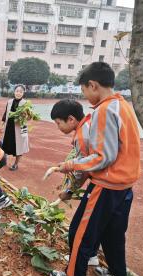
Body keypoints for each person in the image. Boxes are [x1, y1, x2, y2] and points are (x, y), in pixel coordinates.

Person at [49, 62, 141, 276]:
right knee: (113, 233)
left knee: (80, 230)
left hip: (107, 185)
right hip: (125, 186)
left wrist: (68, 166)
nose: (85, 96)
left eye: (84, 90)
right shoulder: (123, 105)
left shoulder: (103, 110)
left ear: (93, 85)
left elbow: (103, 157)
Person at [50, 99, 99, 267]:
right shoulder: (88, 124)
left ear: (71, 119)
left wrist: (69, 191)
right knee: (99, 225)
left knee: (78, 228)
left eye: (58, 123)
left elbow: (83, 169)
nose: (58, 127)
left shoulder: (82, 136)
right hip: (116, 185)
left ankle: (77, 267)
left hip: (102, 184)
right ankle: (92, 255)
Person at [0, 85, 29, 171]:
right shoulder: (9, 102)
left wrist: (25, 115)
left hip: (21, 127)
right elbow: (5, 114)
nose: (18, 93)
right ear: (14, 92)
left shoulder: (25, 103)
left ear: (23, 93)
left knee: (19, 147)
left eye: (21, 91)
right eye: (17, 91)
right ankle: (3, 161)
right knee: (5, 145)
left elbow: (29, 117)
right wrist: (1, 125)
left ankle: (16, 164)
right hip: (9, 127)